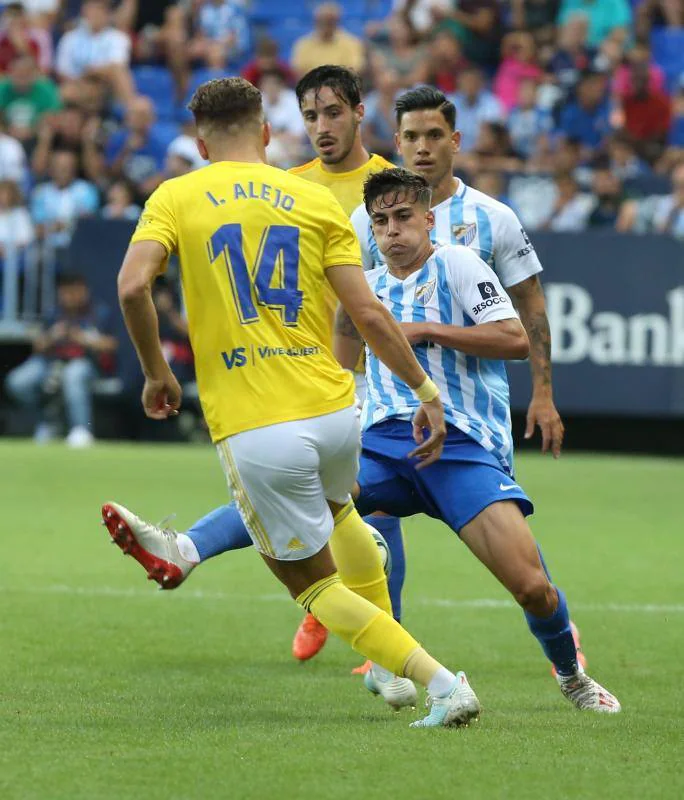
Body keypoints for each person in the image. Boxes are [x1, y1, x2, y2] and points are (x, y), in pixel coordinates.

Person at [110, 75, 481, 729]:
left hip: (259, 424)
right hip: (337, 410)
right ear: (265, 132)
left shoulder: (176, 196)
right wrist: (425, 392)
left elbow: (133, 286)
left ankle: (441, 682)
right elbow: (366, 310)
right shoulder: (310, 199)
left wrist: (155, 374)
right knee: (341, 516)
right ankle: (390, 670)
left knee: (313, 586)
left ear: (200, 145)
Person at [102, 65, 403, 669]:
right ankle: (377, 644)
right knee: (343, 504)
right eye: (310, 116)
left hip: (368, 367)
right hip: (317, 370)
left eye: (332, 113)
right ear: (273, 130)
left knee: (350, 506)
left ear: (359, 114)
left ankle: (369, 634)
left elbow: (134, 284)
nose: (321, 126)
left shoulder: (391, 187)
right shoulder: (293, 187)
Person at [342, 167, 619, 713]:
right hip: (383, 443)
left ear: (427, 218)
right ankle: (189, 548)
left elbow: (516, 336)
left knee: (534, 587)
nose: (392, 230)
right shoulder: (362, 288)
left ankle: (570, 674)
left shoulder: (462, 260)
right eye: (381, 222)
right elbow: (337, 361)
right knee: (289, 498)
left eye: (402, 218)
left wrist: (424, 332)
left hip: (462, 445)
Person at [4, 272, 117, 447]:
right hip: (51, 363)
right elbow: (38, 346)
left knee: (74, 373)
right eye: (65, 292)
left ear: (84, 291)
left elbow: (112, 345)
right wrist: (53, 335)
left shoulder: (99, 312)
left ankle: (81, 430)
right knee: (19, 381)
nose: (70, 297)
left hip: (87, 364)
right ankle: (46, 423)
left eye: (74, 291)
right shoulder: (54, 313)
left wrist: (82, 338)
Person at [291, 3, 365, 78]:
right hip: (310, 87)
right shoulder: (303, 44)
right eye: (321, 21)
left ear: (337, 21)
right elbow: (299, 71)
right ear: (315, 22)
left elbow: (353, 71)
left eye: (330, 21)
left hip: (342, 86)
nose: (325, 25)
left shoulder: (352, 43)